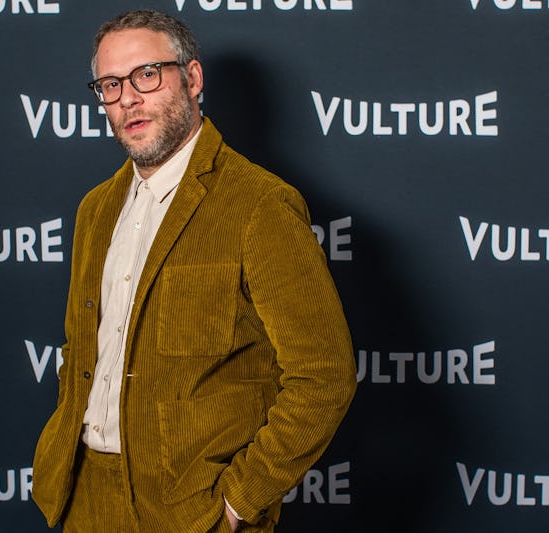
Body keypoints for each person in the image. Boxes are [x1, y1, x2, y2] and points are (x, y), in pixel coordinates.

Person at [33, 9, 356, 532]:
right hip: (82, 497)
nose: (128, 99)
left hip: (191, 509)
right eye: (111, 85)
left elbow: (324, 377)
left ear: (193, 78)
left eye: (146, 75)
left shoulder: (259, 204)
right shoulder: (94, 210)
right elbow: (83, 352)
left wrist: (237, 502)